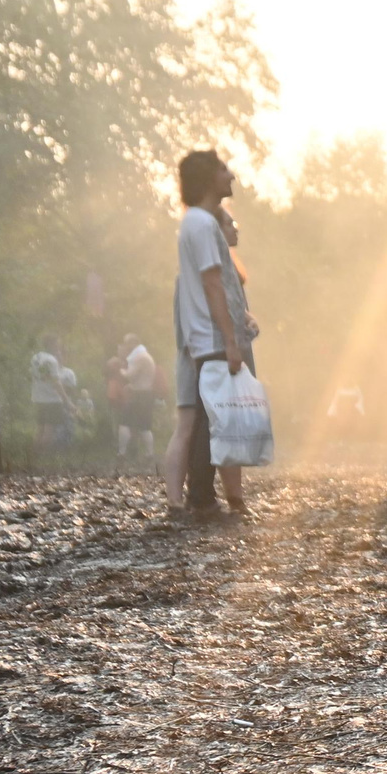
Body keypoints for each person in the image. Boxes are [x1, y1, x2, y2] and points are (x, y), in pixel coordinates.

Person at [166, 149, 250, 521]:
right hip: (212, 337)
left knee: (208, 416)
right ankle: (202, 499)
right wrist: (230, 341)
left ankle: (203, 497)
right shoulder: (200, 224)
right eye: (222, 169)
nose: (230, 175)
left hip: (213, 335)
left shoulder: (198, 222)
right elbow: (212, 283)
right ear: (207, 178)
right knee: (211, 419)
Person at [114, 335, 158, 467]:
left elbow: (129, 375)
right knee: (144, 426)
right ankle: (149, 455)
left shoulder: (139, 357)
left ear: (132, 344)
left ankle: (121, 453)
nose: (125, 346)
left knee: (124, 422)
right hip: (146, 394)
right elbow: (139, 378)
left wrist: (121, 369)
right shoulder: (145, 355)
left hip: (139, 396)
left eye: (126, 344)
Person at [29, 334, 72, 461]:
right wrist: (67, 401)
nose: (59, 346)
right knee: (49, 430)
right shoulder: (52, 361)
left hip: (37, 397)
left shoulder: (36, 357)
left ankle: (32, 456)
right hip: (52, 399)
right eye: (58, 344)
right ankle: (41, 458)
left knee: (40, 429)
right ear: (52, 345)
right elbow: (56, 382)